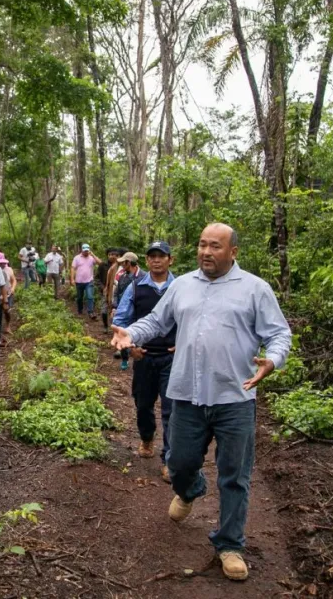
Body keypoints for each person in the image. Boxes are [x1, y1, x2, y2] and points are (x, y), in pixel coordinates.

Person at [110, 224, 292, 582]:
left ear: (233, 252)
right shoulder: (183, 285)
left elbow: (279, 333)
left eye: (215, 246)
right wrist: (131, 332)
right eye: (202, 245)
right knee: (178, 462)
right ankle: (190, 488)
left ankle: (230, 545)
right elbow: (157, 321)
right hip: (187, 394)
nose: (206, 252)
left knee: (234, 475)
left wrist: (273, 359)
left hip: (235, 396)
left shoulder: (255, 289)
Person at [112, 243, 175, 484]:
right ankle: (147, 437)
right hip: (144, 356)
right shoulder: (136, 287)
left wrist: (184, 343)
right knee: (143, 403)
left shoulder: (180, 287)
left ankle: (170, 459)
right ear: (147, 261)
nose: (157, 261)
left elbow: (194, 318)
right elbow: (121, 318)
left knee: (172, 409)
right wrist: (131, 347)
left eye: (161, 257)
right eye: (152, 257)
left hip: (172, 358)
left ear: (171, 259)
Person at [111, 251, 143, 371]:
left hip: (138, 313)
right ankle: (125, 359)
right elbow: (117, 293)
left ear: (129, 263)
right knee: (122, 333)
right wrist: (115, 307)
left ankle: (138, 360)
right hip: (124, 312)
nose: (122, 265)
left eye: (123, 262)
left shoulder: (143, 277)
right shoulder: (123, 276)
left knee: (139, 338)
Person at [70, 243, 101, 317]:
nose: (86, 252)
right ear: (82, 250)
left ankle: (90, 312)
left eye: (87, 251)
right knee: (79, 297)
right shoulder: (76, 258)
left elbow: (100, 263)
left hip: (89, 281)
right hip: (79, 282)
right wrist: (72, 279)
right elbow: (73, 268)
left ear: (89, 250)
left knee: (90, 297)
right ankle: (80, 311)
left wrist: (93, 255)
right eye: (84, 251)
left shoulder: (91, 258)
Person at [97, 247, 121, 332]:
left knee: (114, 311)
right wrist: (102, 287)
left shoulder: (121, 266)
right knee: (104, 310)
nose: (113, 256)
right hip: (105, 291)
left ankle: (114, 327)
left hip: (117, 292)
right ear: (107, 255)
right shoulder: (102, 265)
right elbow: (97, 278)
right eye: (111, 254)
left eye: (115, 255)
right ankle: (105, 326)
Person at [0, 255, 17, 337]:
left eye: (3, 263)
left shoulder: (9, 269)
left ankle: (8, 326)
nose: (2, 264)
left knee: (7, 310)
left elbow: (13, 280)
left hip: (8, 294)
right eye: (0, 263)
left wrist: (13, 288)